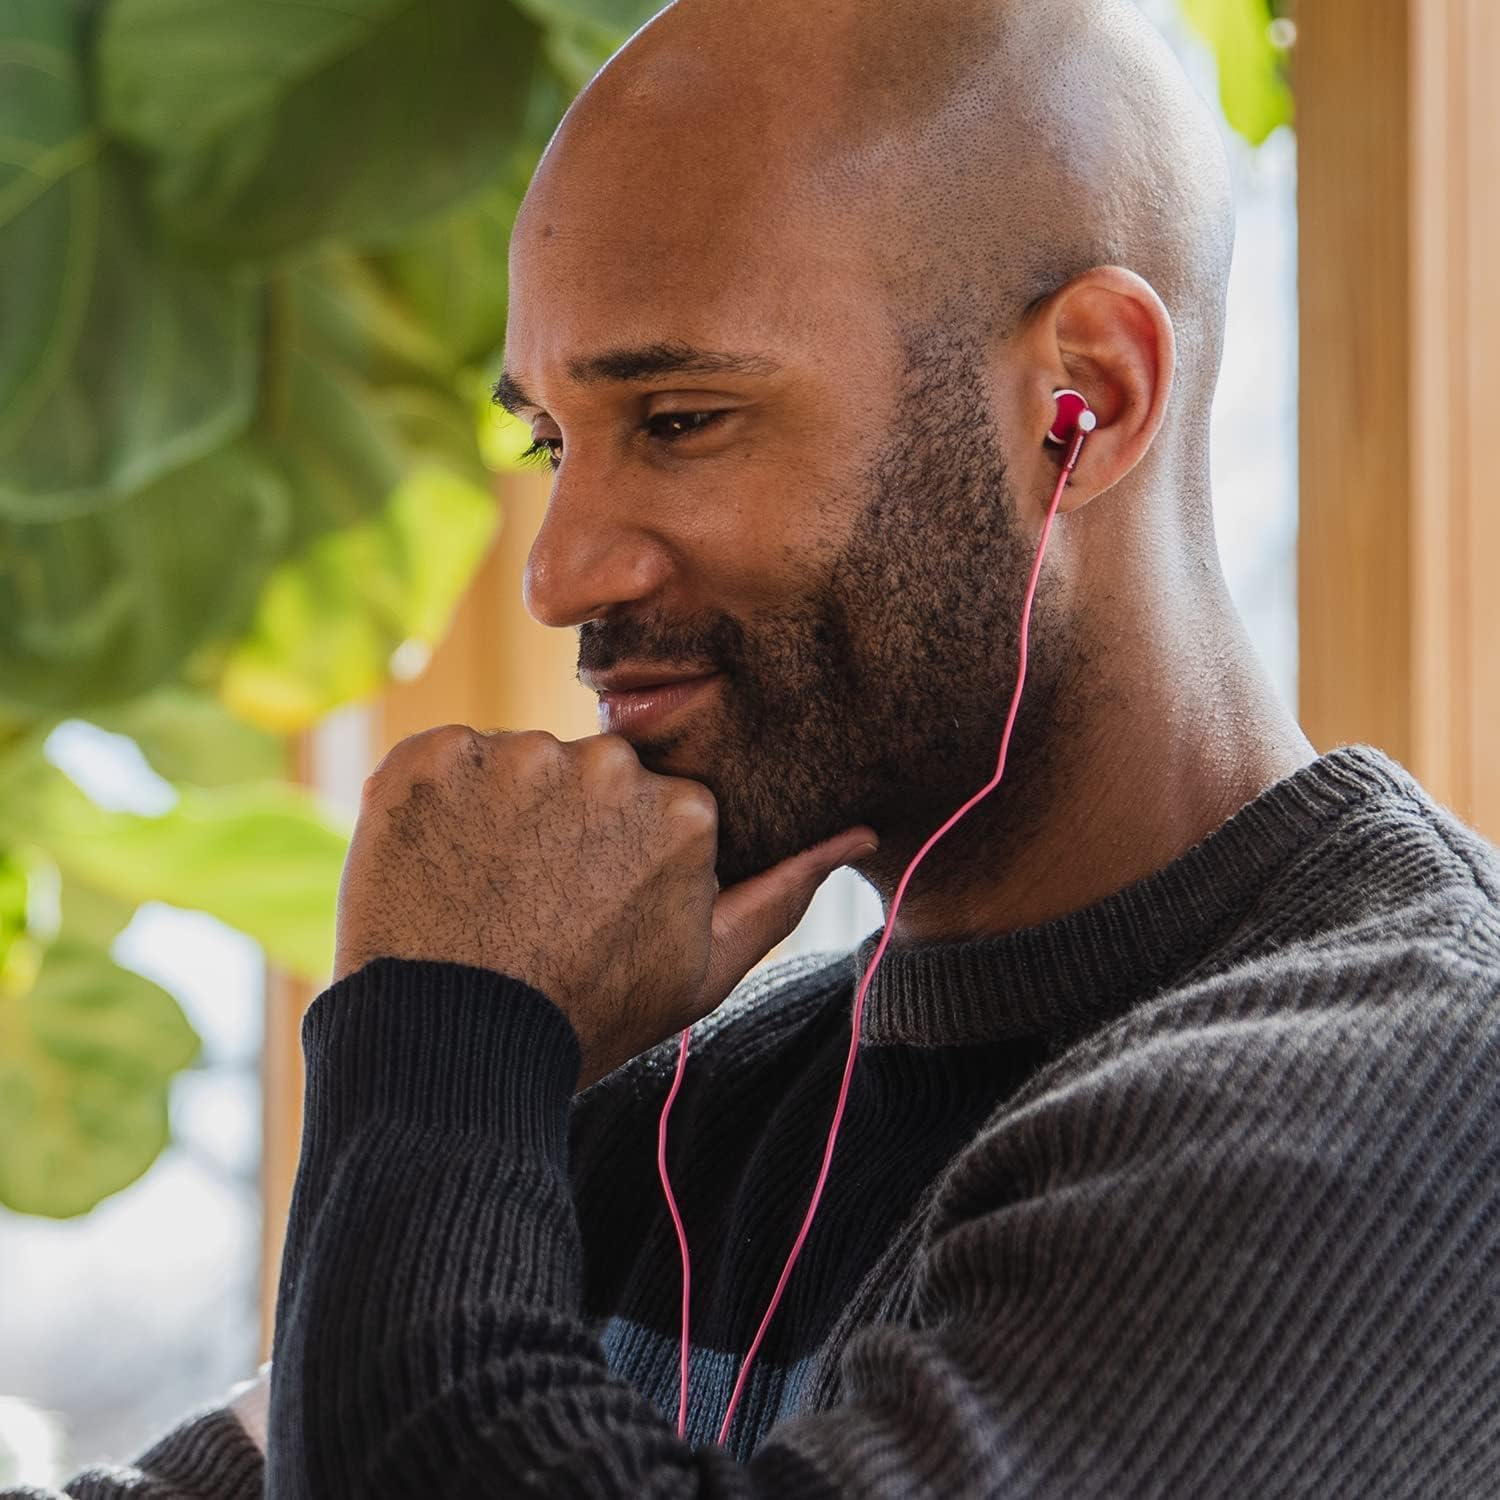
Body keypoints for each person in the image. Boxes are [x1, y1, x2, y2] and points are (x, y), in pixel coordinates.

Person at [16, 0, 1500, 1495]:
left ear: (1087, 399)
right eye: (550, 443)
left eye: (677, 419)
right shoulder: (667, 1111)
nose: (559, 575)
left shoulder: (1412, 1109)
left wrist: (444, 1030)